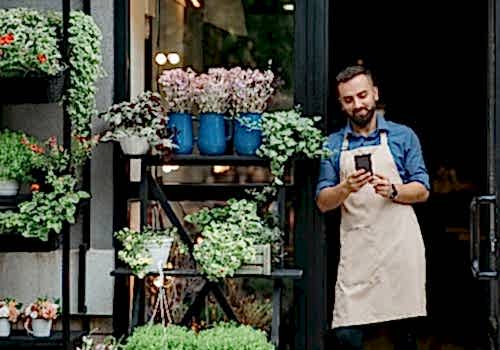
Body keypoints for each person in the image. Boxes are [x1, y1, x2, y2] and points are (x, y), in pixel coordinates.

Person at [316, 65, 430, 349]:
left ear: (375, 94)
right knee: (346, 335)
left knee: (404, 334)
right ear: (341, 104)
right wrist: (346, 188)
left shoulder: (403, 136)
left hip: (400, 248)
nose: (358, 104)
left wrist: (393, 190)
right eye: (349, 99)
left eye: (362, 95)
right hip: (358, 250)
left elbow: (423, 189)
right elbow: (322, 202)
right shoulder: (332, 145)